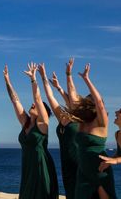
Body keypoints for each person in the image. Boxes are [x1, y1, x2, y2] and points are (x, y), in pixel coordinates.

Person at [4, 64, 59, 199]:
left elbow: (37, 98)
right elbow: (14, 100)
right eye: (33, 104)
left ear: (43, 112)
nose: (32, 104)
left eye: (36, 106)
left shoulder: (43, 124)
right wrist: (7, 81)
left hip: (41, 165)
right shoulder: (26, 122)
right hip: (28, 166)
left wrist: (33, 79)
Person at [68, 63, 117, 199]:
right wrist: (68, 75)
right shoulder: (82, 121)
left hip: (98, 166)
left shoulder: (102, 122)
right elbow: (73, 100)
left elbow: (100, 103)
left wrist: (86, 79)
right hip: (84, 168)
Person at [40, 59, 79, 199]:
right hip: (66, 163)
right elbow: (49, 96)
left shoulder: (80, 119)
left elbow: (73, 97)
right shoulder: (62, 117)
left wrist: (68, 74)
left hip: (79, 163)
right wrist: (43, 77)